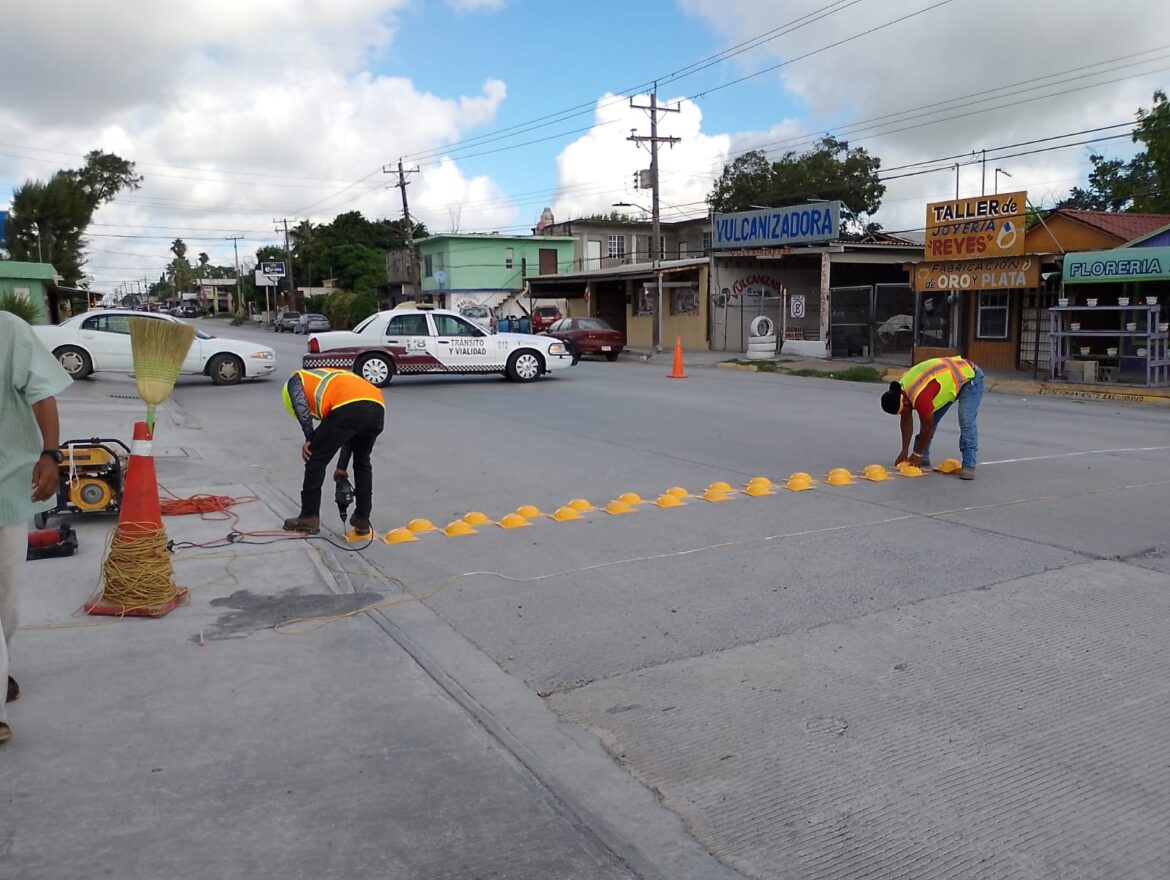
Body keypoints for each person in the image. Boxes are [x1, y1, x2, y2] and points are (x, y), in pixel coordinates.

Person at [0, 311, 72, 745]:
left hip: (8, 485)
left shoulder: (10, 331)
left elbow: (43, 394)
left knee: (6, 604)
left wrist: (51, 454)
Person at [281, 368, 384, 535]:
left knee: (315, 458)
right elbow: (348, 433)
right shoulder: (334, 378)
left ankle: (309, 516)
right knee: (362, 462)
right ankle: (362, 518)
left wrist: (310, 437)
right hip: (377, 407)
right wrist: (341, 468)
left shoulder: (296, 380)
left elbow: (300, 405)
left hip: (350, 407)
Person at [880, 356, 984, 480]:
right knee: (930, 418)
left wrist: (916, 453)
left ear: (906, 402)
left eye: (903, 411)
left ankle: (969, 464)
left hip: (970, 377)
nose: (905, 414)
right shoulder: (901, 390)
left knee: (965, 420)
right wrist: (904, 451)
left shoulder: (920, 397)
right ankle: (923, 456)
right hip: (948, 382)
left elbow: (927, 426)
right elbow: (906, 420)